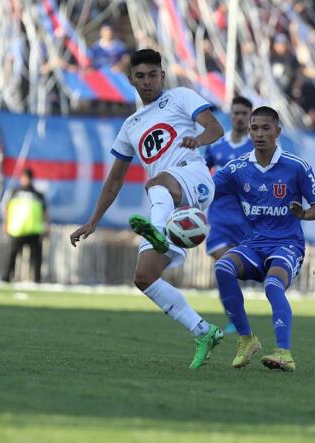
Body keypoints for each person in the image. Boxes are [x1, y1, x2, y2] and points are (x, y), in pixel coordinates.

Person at [69, 49, 225, 369]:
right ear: (131, 80)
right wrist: (93, 221)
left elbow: (214, 128)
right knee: (143, 277)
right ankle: (202, 330)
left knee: (156, 182)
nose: (147, 81)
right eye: (140, 76)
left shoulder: (180, 97)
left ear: (162, 75)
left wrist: (200, 140)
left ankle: (156, 230)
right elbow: (114, 179)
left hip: (192, 178)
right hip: (166, 202)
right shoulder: (130, 126)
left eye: (152, 75)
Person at [213, 106, 315, 371]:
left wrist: (304, 214)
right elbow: (204, 190)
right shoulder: (238, 168)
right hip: (253, 244)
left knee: (273, 285)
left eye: (266, 128)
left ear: (278, 131)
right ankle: (246, 339)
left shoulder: (296, 166)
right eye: (255, 128)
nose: (259, 134)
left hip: (287, 244)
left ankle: (284, 353)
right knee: (222, 268)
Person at [203, 96, 254, 336]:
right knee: (224, 265)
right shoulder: (216, 145)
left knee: (240, 269)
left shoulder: (257, 147)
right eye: (236, 113)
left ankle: (236, 312)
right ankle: (235, 318)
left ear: (250, 117)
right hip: (220, 216)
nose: (240, 117)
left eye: (245, 113)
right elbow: (202, 171)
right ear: (231, 115)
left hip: (247, 217)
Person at [1, 168, 48, 283]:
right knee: (11, 256)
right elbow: (6, 209)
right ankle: (6, 278)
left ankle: (36, 280)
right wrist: (5, 223)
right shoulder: (14, 192)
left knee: (36, 258)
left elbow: (45, 212)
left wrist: (46, 226)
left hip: (33, 230)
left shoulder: (38, 194)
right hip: (18, 229)